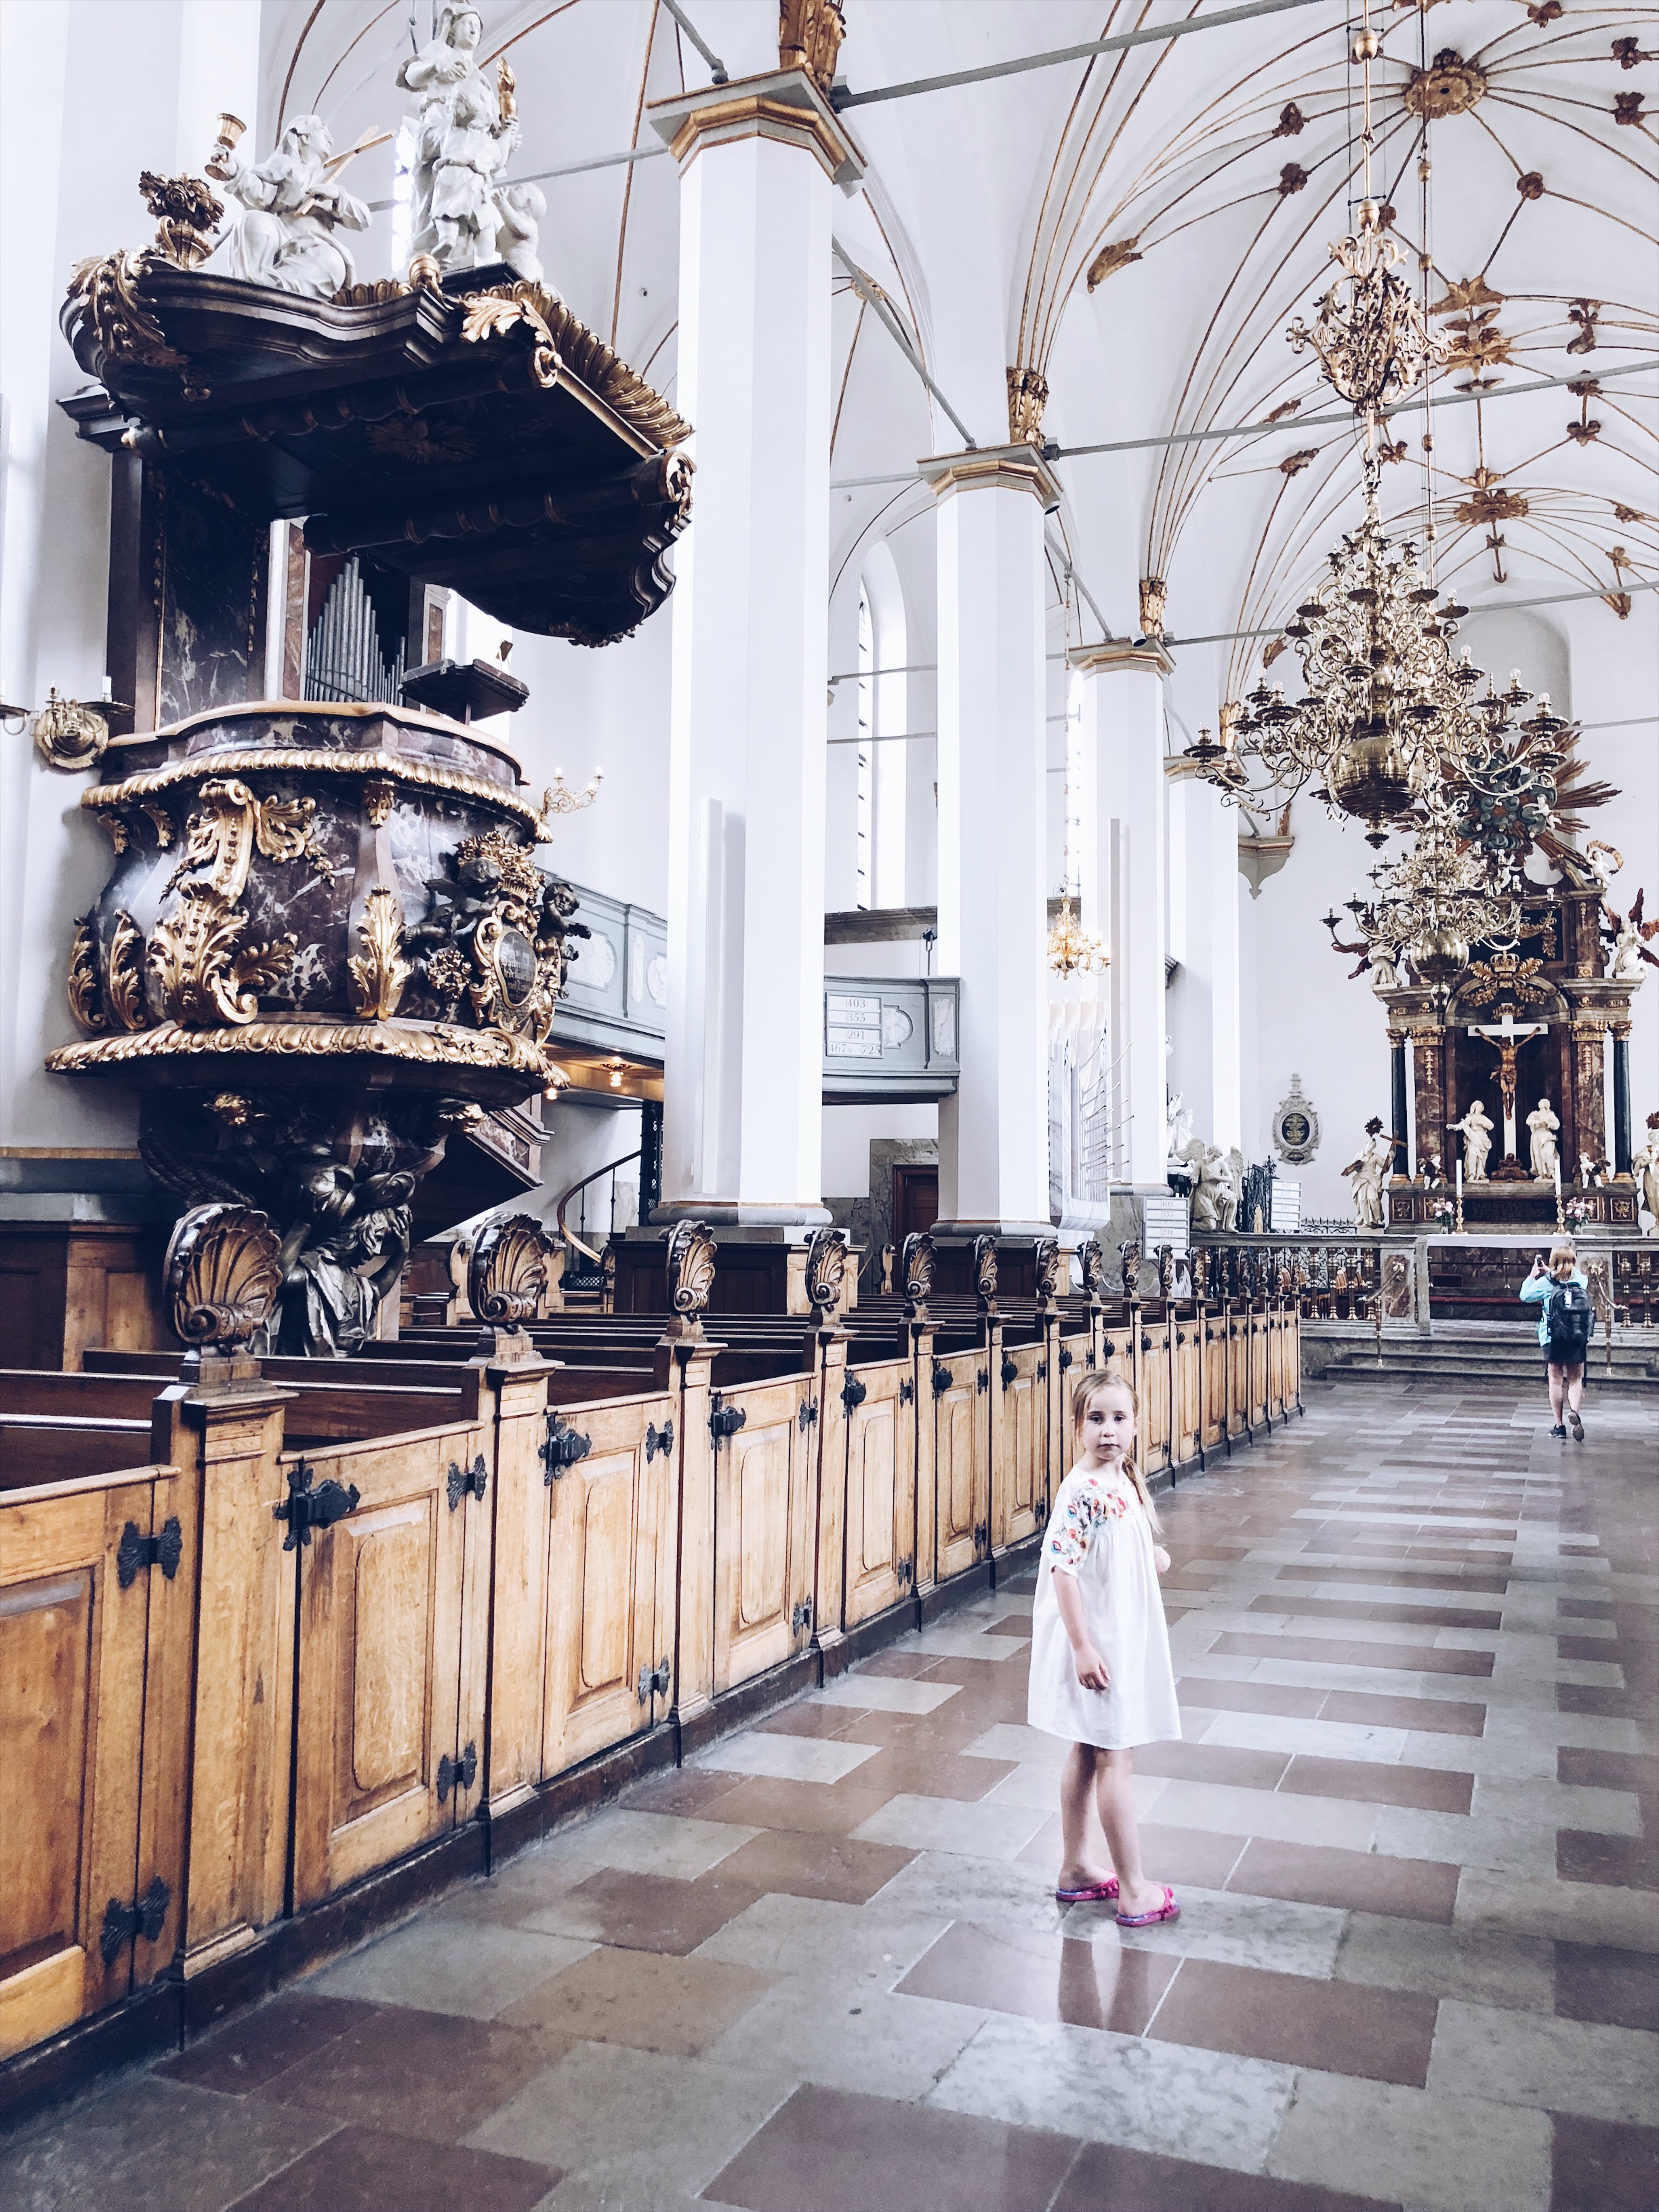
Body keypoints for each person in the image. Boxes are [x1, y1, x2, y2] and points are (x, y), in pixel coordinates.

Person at [1027, 1370, 1181, 1927]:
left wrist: (1151, 1558)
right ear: (1077, 1427)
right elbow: (1063, 1572)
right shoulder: (1082, 1490)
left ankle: (1074, 1868)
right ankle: (1135, 1889)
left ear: (1137, 1427)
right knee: (1116, 1755)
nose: (1108, 1431)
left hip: (1117, 1634)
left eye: (1119, 1419)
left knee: (1089, 1749)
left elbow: (1120, 1544)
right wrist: (1081, 1646)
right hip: (1098, 1643)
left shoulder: (1122, 1480)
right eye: (1096, 1419)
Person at [1521, 1241, 1592, 1440]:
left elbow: (1525, 1296)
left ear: (1552, 1261)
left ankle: (1559, 1426)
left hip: (1552, 1335)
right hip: (1578, 1334)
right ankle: (1575, 1412)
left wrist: (1533, 1276)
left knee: (1555, 1381)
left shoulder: (1546, 1282)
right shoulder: (1581, 1280)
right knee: (1576, 1379)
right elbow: (1567, 1277)